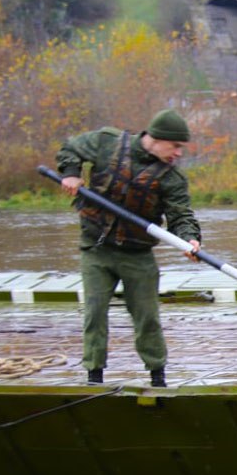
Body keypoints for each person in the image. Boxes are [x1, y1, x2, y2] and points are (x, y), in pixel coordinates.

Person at [55, 109, 202, 387]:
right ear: (157, 139)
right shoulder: (107, 142)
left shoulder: (172, 179)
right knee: (94, 311)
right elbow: (70, 148)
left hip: (138, 256)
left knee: (147, 316)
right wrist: (71, 173)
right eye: (175, 146)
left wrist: (189, 239)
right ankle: (94, 377)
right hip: (96, 250)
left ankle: (158, 377)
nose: (179, 153)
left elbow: (181, 216)